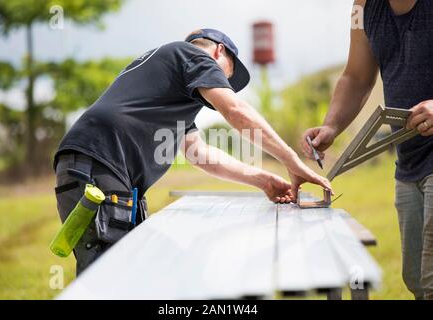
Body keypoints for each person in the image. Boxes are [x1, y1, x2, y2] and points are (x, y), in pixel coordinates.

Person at [54, 28, 332, 275]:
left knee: (129, 273)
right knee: (109, 278)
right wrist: (292, 161)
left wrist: (264, 180)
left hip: (96, 165)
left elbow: (200, 154)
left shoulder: (171, 90)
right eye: (226, 76)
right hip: (97, 164)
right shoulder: (191, 54)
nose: (222, 84)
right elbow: (235, 110)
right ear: (218, 50)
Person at [301, 0, 433, 299]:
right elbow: (357, 77)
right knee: (417, 281)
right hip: (409, 163)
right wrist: (331, 125)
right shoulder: (362, 7)